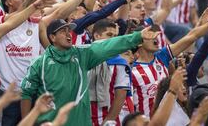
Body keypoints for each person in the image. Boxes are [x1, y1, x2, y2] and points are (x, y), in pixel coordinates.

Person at [20, 19, 161, 126]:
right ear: (52, 37)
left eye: (69, 30)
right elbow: (26, 93)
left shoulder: (82, 54)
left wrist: (137, 37)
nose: (69, 34)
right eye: (63, 31)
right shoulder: (39, 63)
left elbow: (108, 45)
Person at [131, 11, 208, 118]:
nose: (155, 38)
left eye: (155, 35)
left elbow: (192, 36)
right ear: (139, 42)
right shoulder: (131, 70)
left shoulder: (162, 56)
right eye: (149, 35)